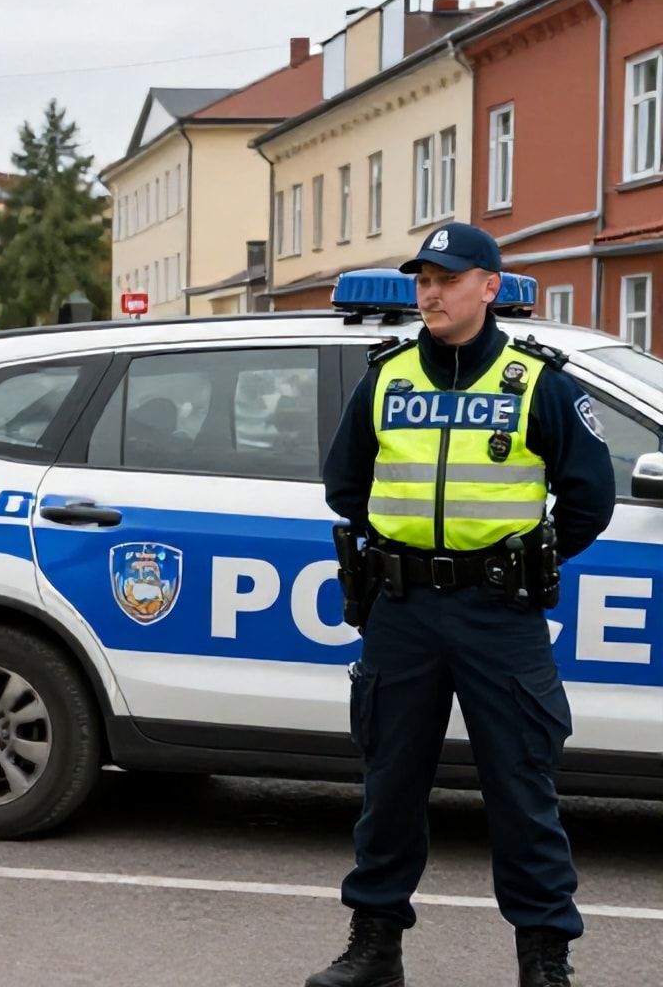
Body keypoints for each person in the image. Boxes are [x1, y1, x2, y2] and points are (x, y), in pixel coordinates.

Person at [310, 222, 615, 987]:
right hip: (402, 607)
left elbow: (590, 496)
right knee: (390, 788)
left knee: (522, 789)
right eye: (423, 279)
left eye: (448, 278)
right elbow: (345, 484)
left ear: (490, 286)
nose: (432, 291)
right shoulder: (386, 376)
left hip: (498, 610)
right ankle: (374, 948)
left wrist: (524, 558)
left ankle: (545, 958)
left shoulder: (537, 380)